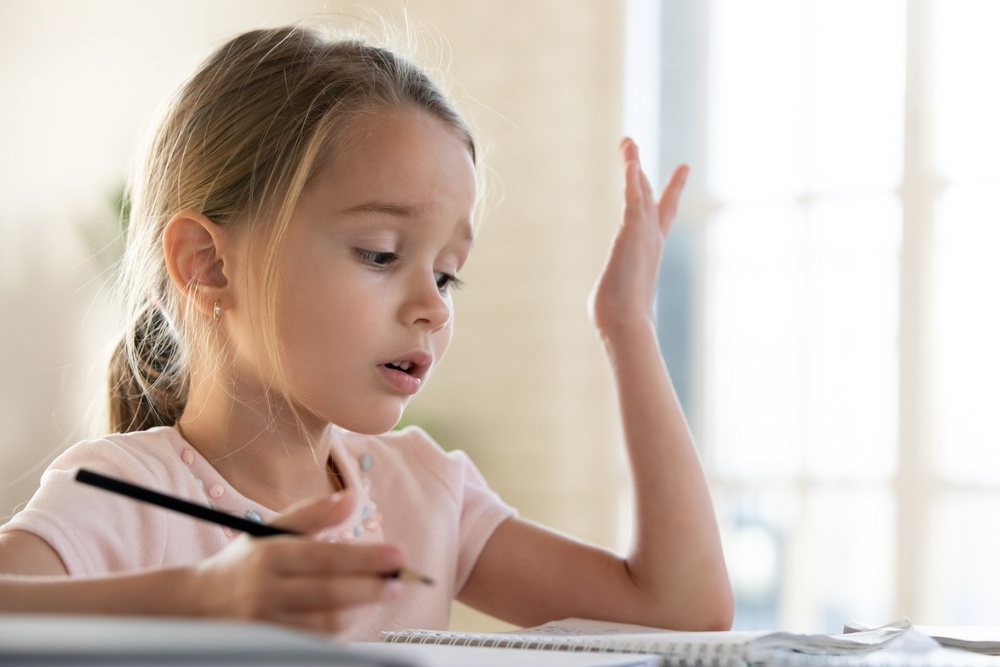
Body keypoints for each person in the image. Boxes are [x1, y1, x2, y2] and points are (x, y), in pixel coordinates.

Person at [0, 24, 732, 639]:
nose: (434, 307)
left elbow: (678, 611)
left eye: (447, 274)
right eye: (380, 252)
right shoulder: (121, 493)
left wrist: (627, 325)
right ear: (207, 264)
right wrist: (199, 599)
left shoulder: (425, 492)